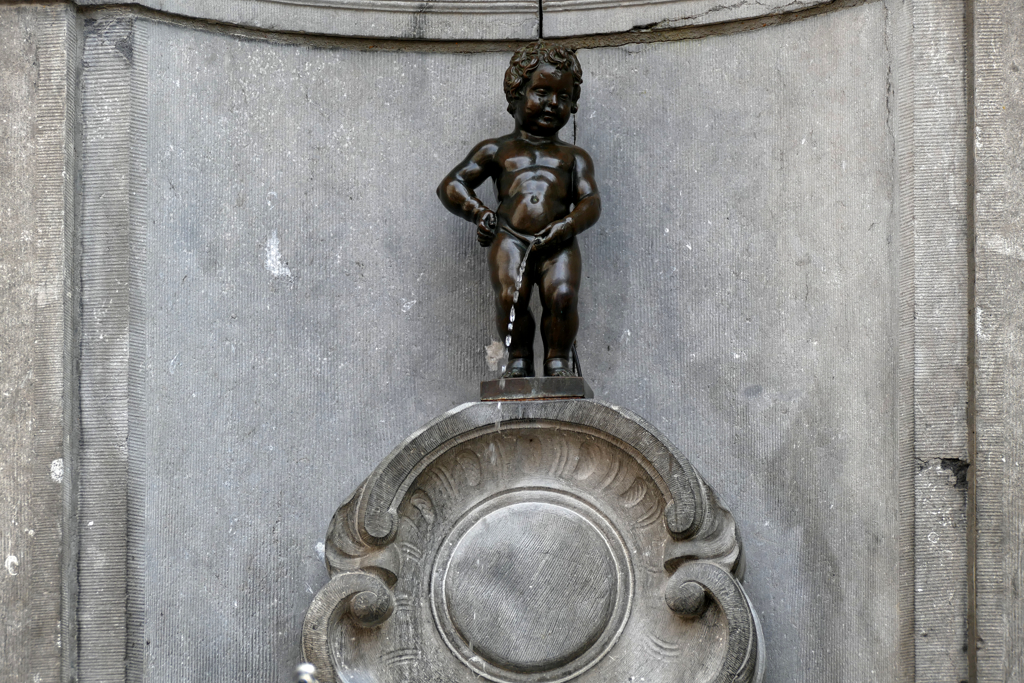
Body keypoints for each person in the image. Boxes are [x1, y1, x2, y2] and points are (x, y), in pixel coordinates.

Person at [437, 42, 601, 378]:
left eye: (563, 96)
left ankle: (558, 361)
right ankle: (518, 360)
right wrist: (478, 212)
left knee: (563, 295)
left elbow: (591, 202)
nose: (552, 104)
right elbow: (451, 185)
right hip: (510, 237)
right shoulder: (497, 150)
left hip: (559, 241)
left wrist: (568, 226)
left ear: (573, 104)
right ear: (515, 94)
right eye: (541, 91)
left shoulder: (574, 157)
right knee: (511, 296)